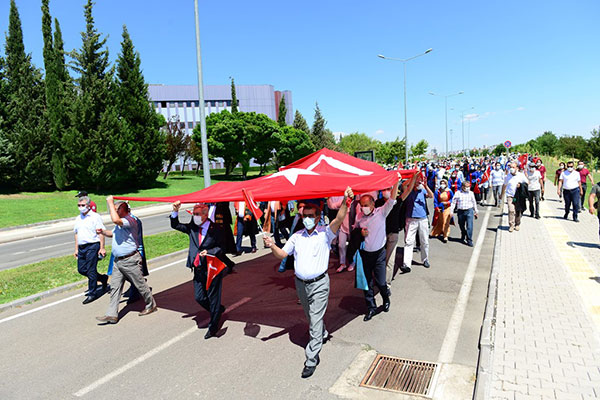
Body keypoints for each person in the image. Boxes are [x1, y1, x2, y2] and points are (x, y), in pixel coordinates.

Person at [264, 187, 353, 379]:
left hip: (320, 284)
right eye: (305, 215)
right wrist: (272, 246)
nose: (307, 218)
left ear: (319, 216)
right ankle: (321, 332)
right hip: (301, 284)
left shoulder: (325, 233)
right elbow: (282, 254)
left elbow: (338, 218)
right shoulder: (296, 236)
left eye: (311, 215)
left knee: (314, 318)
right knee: (310, 315)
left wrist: (346, 201)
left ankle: (312, 358)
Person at [96, 197, 157, 324]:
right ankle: (111, 314)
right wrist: (103, 232)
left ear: (123, 209)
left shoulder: (130, 220)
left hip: (130, 260)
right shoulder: (120, 224)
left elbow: (115, 219)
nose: (114, 211)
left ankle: (151, 305)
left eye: (116, 209)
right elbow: (112, 233)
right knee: (115, 287)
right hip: (118, 261)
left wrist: (110, 202)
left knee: (140, 284)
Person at [171, 201, 226, 339]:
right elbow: (175, 225)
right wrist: (175, 211)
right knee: (199, 297)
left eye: (196, 214)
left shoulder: (216, 228)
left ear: (205, 215)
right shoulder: (192, 227)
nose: (194, 216)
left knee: (213, 297)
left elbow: (221, 247)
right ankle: (217, 310)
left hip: (212, 268)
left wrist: (210, 251)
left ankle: (213, 326)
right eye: (193, 214)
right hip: (198, 267)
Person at [357, 177, 401, 321]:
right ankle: (371, 308)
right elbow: (355, 232)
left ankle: (385, 299)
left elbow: (393, 199)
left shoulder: (381, 212)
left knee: (381, 282)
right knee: (367, 284)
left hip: (379, 255)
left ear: (372, 204)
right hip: (365, 255)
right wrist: (360, 233)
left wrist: (396, 182)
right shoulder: (360, 217)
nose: (364, 207)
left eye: (366, 205)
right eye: (361, 205)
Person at [73, 195, 108, 304]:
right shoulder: (78, 218)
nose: (80, 207)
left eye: (83, 205)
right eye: (79, 205)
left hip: (93, 246)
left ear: (88, 206)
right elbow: (76, 234)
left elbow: (100, 232)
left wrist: (102, 247)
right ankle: (102, 278)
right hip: (82, 247)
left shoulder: (95, 216)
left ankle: (92, 293)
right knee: (82, 269)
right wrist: (76, 249)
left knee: (91, 269)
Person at [403, 173, 432, 271]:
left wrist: (426, 185)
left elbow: (431, 195)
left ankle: (425, 259)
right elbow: (403, 185)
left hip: (422, 219)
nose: (419, 182)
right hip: (411, 219)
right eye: (417, 180)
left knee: (424, 241)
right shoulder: (409, 191)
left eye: (420, 180)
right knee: (409, 242)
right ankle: (406, 264)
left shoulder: (422, 190)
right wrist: (413, 178)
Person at [501, 162, 529, 232]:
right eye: (510, 167)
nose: (511, 169)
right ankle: (511, 225)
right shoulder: (507, 176)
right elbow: (504, 185)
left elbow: (527, 183)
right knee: (511, 210)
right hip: (510, 195)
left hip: (518, 196)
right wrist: (502, 194)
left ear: (517, 168)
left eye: (513, 167)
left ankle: (517, 224)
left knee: (517, 210)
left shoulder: (521, 175)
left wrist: (521, 185)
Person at [450, 180, 479, 246]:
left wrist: (476, 211)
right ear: (462, 187)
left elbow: (474, 202)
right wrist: (451, 211)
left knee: (470, 226)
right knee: (461, 224)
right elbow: (453, 202)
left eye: (469, 186)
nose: (468, 188)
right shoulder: (458, 193)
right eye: (466, 186)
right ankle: (463, 232)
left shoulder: (471, 193)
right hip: (461, 211)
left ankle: (469, 239)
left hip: (469, 211)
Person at [430, 178, 454, 243]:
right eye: (441, 183)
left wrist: (448, 202)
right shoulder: (437, 191)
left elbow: (453, 199)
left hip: (447, 207)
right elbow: (435, 200)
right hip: (441, 207)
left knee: (446, 221)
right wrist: (436, 207)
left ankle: (445, 235)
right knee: (440, 220)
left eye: (443, 183)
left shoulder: (449, 191)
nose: (442, 185)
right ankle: (438, 232)